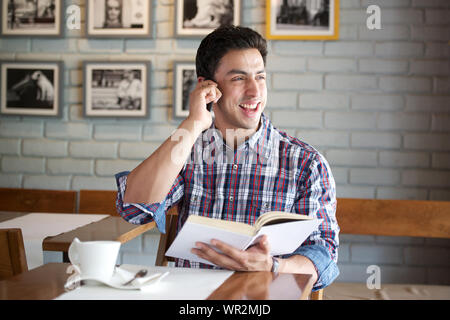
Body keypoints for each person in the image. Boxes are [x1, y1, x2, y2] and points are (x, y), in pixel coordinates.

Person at [115, 26, 339, 292]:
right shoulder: (189, 151)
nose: (255, 92)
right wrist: (194, 122)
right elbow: (134, 208)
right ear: (208, 88)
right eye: (239, 79)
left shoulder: (306, 164)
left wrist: (272, 265)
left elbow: (325, 258)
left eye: (260, 77)